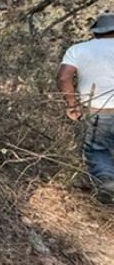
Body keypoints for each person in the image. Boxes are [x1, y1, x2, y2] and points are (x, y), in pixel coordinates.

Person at [57, 11, 114, 204]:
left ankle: (107, 183)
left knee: (97, 149)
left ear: (96, 32)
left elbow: (64, 77)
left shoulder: (78, 50)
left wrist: (72, 105)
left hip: (98, 109)